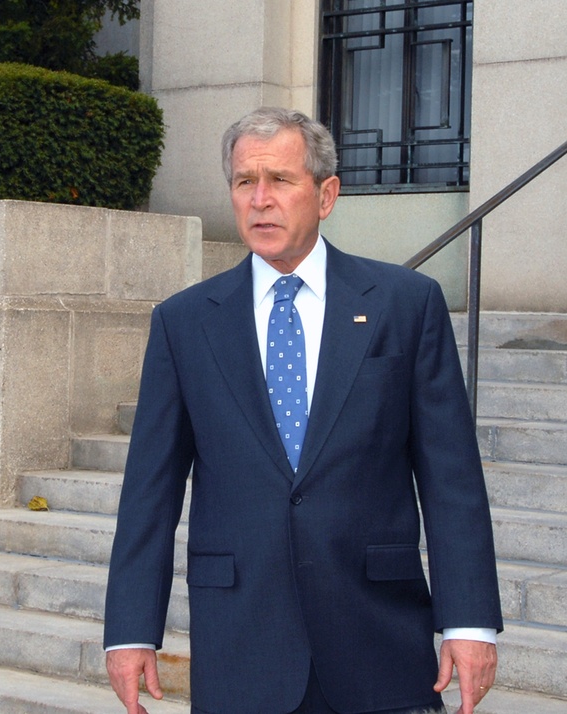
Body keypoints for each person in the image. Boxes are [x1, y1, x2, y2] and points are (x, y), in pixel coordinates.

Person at [103, 108, 502, 714]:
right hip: (242, 645)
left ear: (326, 194)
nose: (260, 200)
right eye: (244, 182)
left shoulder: (406, 304)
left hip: (379, 641)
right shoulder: (184, 322)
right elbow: (149, 493)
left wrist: (469, 623)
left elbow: (452, 480)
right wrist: (131, 630)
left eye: (280, 181)